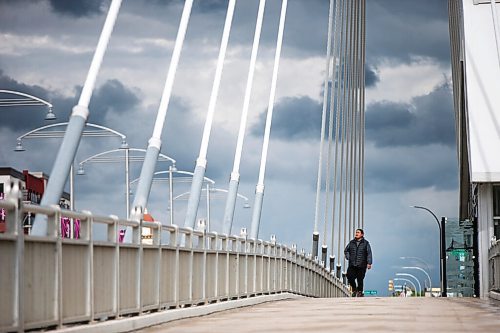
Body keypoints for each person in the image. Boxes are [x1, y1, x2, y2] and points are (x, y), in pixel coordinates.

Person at [344, 228, 372, 297]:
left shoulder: (366, 243)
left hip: (362, 264)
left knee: (360, 279)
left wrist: (369, 263)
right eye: (356, 232)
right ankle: (354, 289)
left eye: (358, 232)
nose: (356, 233)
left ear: (362, 234)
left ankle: (360, 292)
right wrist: (348, 257)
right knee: (349, 276)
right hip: (352, 264)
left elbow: (369, 253)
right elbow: (346, 250)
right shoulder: (351, 242)